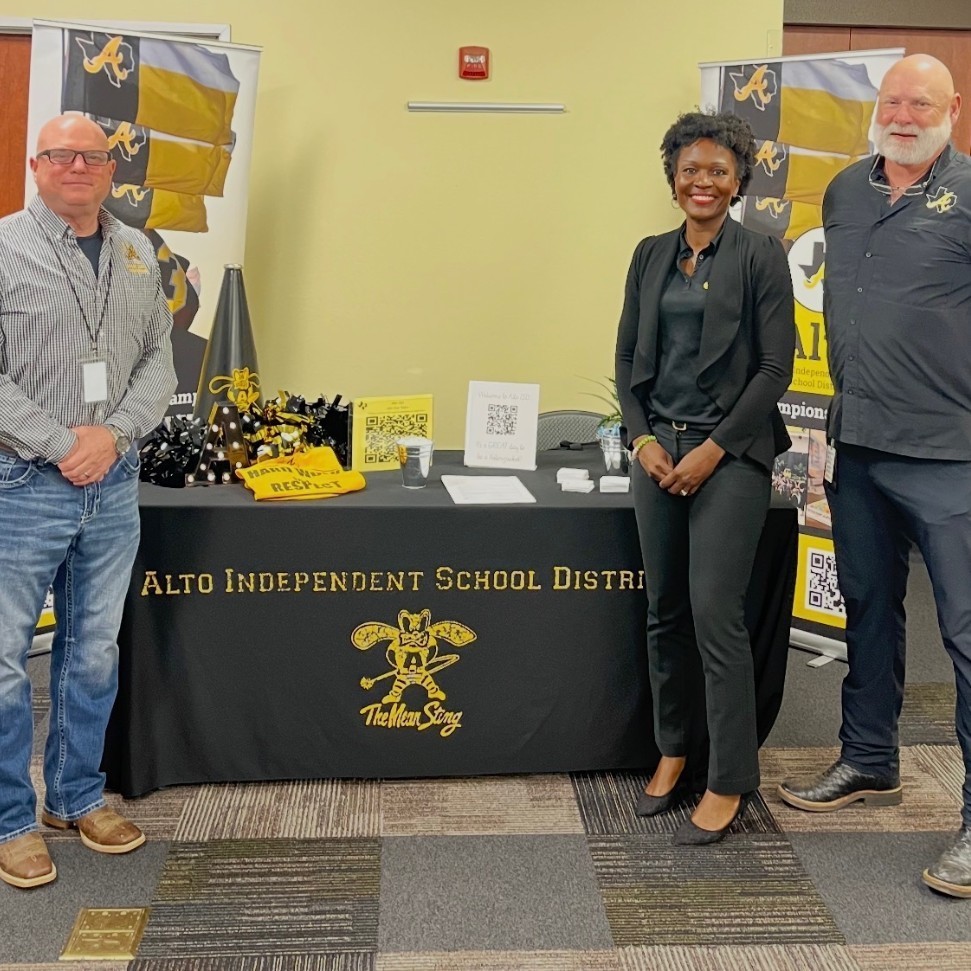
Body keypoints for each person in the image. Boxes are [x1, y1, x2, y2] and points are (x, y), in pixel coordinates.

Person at [777, 54, 971, 899]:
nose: (901, 112)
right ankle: (867, 757)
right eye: (891, 99)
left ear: (950, 109)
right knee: (865, 604)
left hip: (951, 452)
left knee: (965, 636)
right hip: (855, 445)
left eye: (919, 101)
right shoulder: (847, 190)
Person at [0, 113, 176, 888]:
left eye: (93, 156)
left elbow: (160, 365)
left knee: (93, 647)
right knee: (4, 661)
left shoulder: (138, 252)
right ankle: (10, 818)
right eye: (61, 154)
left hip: (111, 488)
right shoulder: (4, 248)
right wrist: (61, 441)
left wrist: (111, 437)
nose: (78, 165)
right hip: (21, 483)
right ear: (36, 165)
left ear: (111, 169)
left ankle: (73, 797)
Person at [615, 111, 794, 844]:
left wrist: (712, 450)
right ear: (672, 179)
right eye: (690, 169)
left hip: (730, 458)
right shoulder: (650, 254)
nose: (702, 181)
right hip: (658, 455)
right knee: (663, 610)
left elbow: (772, 370)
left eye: (718, 170)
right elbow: (626, 364)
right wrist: (641, 439)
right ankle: (673, 747)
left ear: (738, 180)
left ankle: (728, 777)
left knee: (714, 612)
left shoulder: (759, 254)